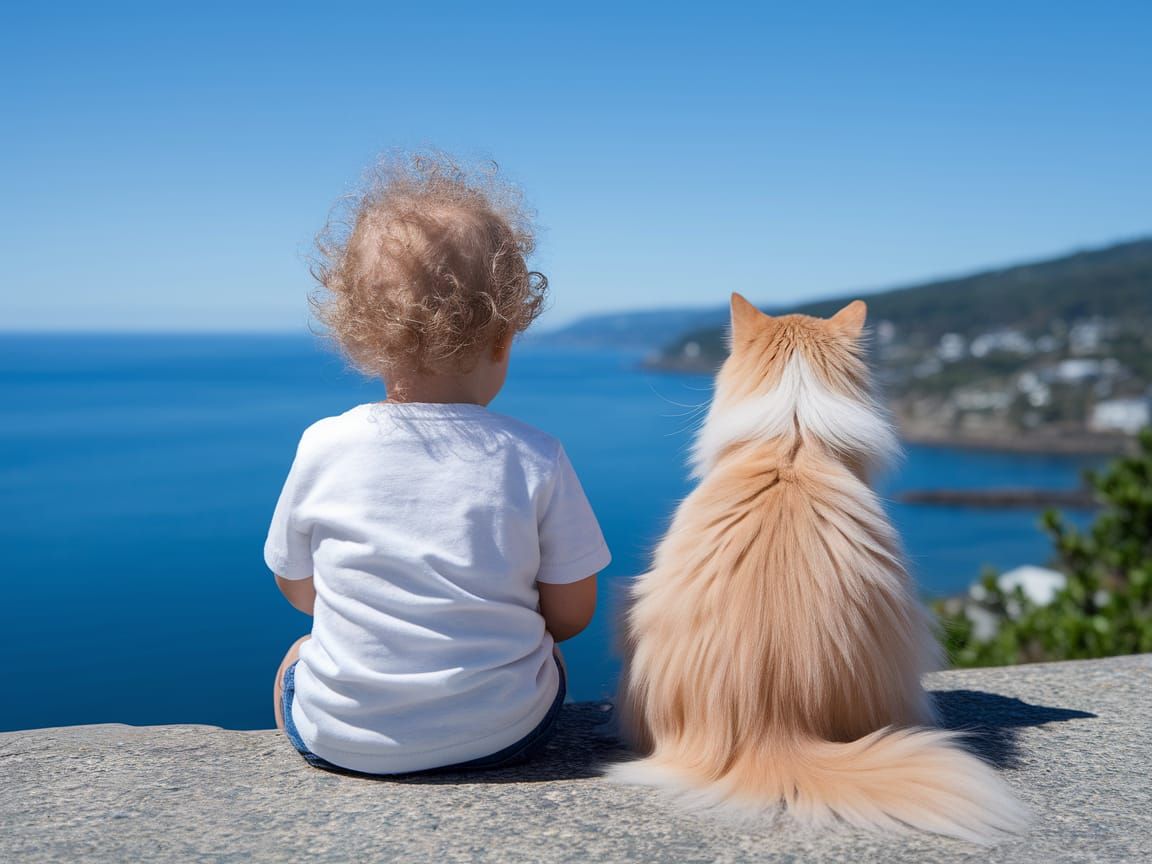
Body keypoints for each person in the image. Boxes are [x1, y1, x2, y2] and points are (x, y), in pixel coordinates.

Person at [264, 152, 610, 776]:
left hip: (344, 743)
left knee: (298, 654)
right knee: (548, 659)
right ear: (503, 339)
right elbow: (571, 616)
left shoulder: (323, 445)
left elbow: (297, 588)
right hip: (503, 735)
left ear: (361, 335)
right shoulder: (535, 455)